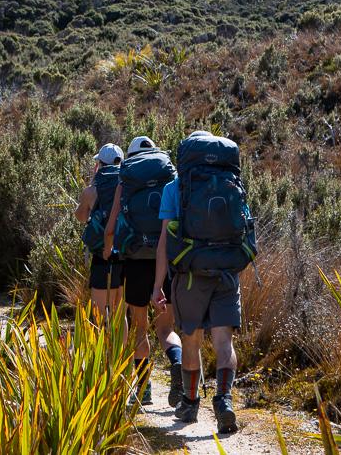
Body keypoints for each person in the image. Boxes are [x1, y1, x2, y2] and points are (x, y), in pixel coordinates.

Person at [152, 131, 253, 435]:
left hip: (190, 273)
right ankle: (224, 401)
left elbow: (164, 241)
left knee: (191, 339)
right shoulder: (232, 182)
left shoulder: (175, 187)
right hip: (227, 271)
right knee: (224, 342)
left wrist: (158, 285)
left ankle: (191, 402)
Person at [103, 136, 184, 407]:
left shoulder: (126, 178)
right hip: (167, 259)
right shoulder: (169, 175)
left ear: (131, 156)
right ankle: (176, 362)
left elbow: (112, 225)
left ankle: (144, 388)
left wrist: (109, 250)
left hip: (136, 260)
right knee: (166, 327)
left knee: (140, 328)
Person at [75, 142, 124, 322]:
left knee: (100, 315)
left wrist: (91, 185)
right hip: (125, 252)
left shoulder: (92, 191)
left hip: (101, 254)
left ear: (100, 164)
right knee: (120, 316)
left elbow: (81, 217)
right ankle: (122, 342)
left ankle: (103, 341)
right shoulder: (129, 186)